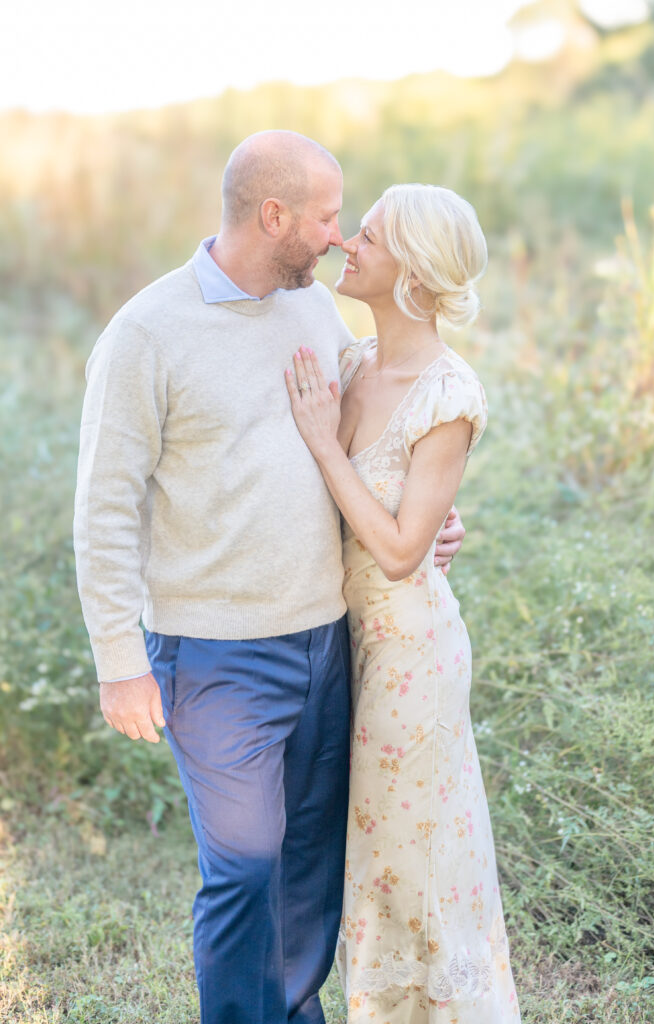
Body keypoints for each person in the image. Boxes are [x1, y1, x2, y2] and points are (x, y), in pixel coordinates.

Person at [73, 131, 465, 1024]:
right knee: (246, 867)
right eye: (328, 217)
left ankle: (293, 1012)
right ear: (273, 215)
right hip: (214, 655)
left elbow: (364, 434)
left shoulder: (310, 312)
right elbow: (104, 510)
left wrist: (425, 514)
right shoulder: (146, 333)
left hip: (325, 637)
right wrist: (118, 659)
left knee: (306, 869)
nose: (337, 236)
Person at [285, 183, 520, 1022]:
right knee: (372, 867)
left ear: (413, 272)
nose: (350, 242)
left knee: (413, 866)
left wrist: (324, 444)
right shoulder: (349, 364)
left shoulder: (446, 393)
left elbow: (394, 551)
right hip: (340, 645)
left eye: (371, 237)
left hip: (410, 657)